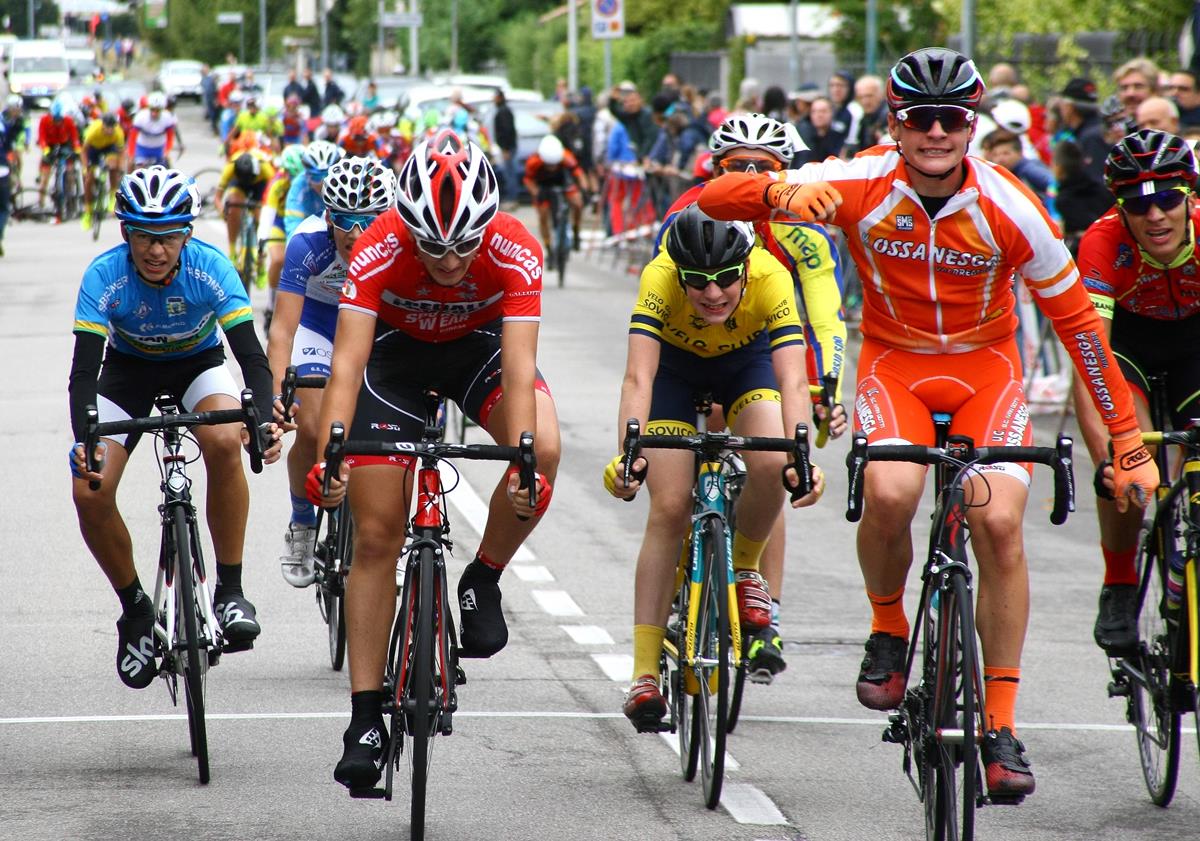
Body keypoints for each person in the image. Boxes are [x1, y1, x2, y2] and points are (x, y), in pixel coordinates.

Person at [698, 46, 1160, 799]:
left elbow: (1079, 327)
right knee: (888, 493)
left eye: (953, 118)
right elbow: (711, 200)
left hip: (987, 369)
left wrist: (1130, 442)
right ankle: (888, 630)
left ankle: (1002, 726)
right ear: (896, 124)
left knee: (1000, 522)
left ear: (971, 124)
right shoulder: (856, 180)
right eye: (922, 119)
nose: (937, 132)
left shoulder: (1011, 205)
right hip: (895, 364)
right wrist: (780, 194)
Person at [306, 130, 561, 791]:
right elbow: (348, 360)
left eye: (464, 244)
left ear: (489, 226)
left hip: (478, 351)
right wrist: (334, 446)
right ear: (405, 225)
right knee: (378, 533)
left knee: (548, 445)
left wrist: (525, 461)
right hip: (394, 359)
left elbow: (520, 363)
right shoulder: (379, 243)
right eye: (432, 245)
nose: (449, 260)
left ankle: (484, 576)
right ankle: (365, 717)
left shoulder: (515, 246)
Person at [605, 203, 827, 730]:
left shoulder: (771, 277)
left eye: (726, 279)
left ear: (746, 267)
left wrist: (802, 457)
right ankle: (642, 674)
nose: (712, 293)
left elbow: (793, 381)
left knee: (773, 458)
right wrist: (628, 455)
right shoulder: (657, 275)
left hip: (742, 364)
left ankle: (746, 569)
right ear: (678, 270)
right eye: (698, 281)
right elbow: (639, 377)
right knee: (671, 506)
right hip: (673, 373)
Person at [68, 167, 283, 689]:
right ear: (126, 233)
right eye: (143, 235)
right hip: (127, 371)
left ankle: (229, 590)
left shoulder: (211, 268)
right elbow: (82, 375)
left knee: (222, 439)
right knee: (90, 490)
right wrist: (86, 439)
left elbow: (251, 357)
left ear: (187, 234)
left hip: (198, 364)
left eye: (167, 237)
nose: (156, 250)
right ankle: (136, 609)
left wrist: (262, 413)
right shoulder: (104, 275)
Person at [655, 112, 848, 681]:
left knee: (775, 461)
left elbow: (827, 316)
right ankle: (680, 589)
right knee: (693, 453)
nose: (748, 175)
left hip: (768, 345)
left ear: (782, 172)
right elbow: (667, 295)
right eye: (735, 166)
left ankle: (764, 616)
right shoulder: (689, 210)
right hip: (693, 343)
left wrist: (827, 388)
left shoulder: (798, 230)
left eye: (762, 168)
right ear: (716, 170)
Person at [1071, 130, 1200, 655]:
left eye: (1167, 198)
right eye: (1137, 204)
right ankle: (1120, 582)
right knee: (1133, 453)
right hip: (1129, 350)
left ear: (1189, 196)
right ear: (1119, 208)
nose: (1155, 216)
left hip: (1195, 347)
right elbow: (1090, 362)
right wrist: (1111, 454)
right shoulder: (1101, 243)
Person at [266, 157, 396, 586]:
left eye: (368, 221)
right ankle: (303, 521)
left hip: (375, 331)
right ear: (328, 216)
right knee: (313, 423)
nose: (355, 235)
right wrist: (278, 396)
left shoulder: (401, 245)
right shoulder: (307, 244)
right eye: (343, 221)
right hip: (320, 329)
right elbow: (283, 330)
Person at [258, 144, 306, 326]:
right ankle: (271, 305)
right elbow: (268, 213)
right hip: (279, 222)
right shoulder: (278, 182)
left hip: (300, 221)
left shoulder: (306, 182)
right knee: (278, 260)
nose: (294, 180)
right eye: (291, 175)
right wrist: (262, 238)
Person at [215, 149, 276, 279]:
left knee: (261, 215)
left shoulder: (266, 168)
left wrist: (263, 211)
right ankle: (232, 251)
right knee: (233, 205)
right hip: (239, 185)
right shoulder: (230, 167)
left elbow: (271, 198)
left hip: (261, 184)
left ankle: (261, 258)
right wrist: (224, 213)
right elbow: (217, 198)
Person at [523, 134, 585, 258]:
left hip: (563, 181)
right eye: (549, 165)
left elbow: (578, 173)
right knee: (543, 215)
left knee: (578, 203)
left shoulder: (566, 156)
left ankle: (576, 230)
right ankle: (548, 247)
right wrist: (535, 192)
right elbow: (528, 180)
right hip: (543, 186)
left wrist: (585, 189)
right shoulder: (533, 161)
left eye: (554, 165)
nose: (552, 168)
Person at [284, 140, 344, 238]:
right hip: (313, 236)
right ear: (307, 175)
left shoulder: (346, 182)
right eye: (316, 177)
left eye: (328, 176)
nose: (322, 183)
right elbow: (293, 229)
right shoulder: (299, 187)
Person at [80, 112, 125, 230]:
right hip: (93, 149)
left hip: (109, 147)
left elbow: (121, 152)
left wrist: (120, 167)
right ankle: (88, 212)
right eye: (107, 127)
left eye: (112, 127)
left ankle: (111, 196)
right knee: (89, 179)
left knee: (113, 166)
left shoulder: (118, 132)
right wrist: (85, 168)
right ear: (103, 125)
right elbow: (83, 151)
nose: (110, 130)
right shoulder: (93, 130)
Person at [36, 99, 82, 214]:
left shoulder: (68, 121)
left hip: (64, 145)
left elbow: (75, 137)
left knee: (70, 171)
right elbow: (41, 137)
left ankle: (70, 195)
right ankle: (40, 203)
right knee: (44, 177)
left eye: (59, 120)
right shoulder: (44, 120)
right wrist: (45, 150)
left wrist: (76, 149)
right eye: (55, 120)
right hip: (50, 146)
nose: (57, 122)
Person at [127, 91, 179, 169]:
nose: (154, 113)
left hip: (159, 148)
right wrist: (131, 154)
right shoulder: (140, 116)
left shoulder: (167, 117)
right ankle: (128, 180)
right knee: (136, 168)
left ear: (162, 110)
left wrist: (167, 151)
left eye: (157, 111)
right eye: (152, 110)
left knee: (167, 169)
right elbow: (132, 137)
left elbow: (170, 137)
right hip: (142, 148)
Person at [492, 89, 518, 207]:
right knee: (508, 172)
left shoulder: (503, 112)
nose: (493, 100)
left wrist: (506, 148)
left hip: (507, 148)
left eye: (495, 97)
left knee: (509, 174)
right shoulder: (503, 110)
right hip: (506, 147)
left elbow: (507, 131)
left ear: (500, 98)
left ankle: (512, 199)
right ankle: (511, 197)